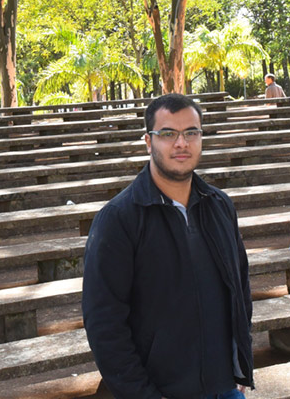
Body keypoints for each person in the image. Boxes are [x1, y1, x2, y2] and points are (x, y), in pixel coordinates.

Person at [82, 93, 254, 399]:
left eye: (191, 132)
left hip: (226, 387)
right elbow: (104, 324)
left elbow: (239, 288)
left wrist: (240, 359)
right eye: (168, 134)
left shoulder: (220, 205)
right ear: (148, 142)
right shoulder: (119, 219)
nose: (181, 143)